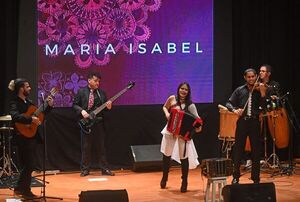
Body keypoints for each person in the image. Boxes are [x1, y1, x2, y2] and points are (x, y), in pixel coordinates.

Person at [8, 78, 53, 198]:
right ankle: (22, 189)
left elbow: (40, 114)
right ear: (21, 89)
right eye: (27, 86)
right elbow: (15, 116)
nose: (30, 88)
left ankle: (22, 189)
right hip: (22, 137)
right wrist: (30, 119)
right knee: (29, 164)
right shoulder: (14, 102)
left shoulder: (29, 102)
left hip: (31, 136)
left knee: (29, 165)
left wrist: (48, 106)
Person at [160, 82, 202, 193]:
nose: (183, 91)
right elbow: (164, 107)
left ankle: (184, 182)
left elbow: (198, 121)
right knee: (166, 154)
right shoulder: (172, 99)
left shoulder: (191, 105)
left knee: (184, 157)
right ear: (178, 89)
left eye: (186, 90)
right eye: (182, 88)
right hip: (170, 131)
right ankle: (164, 177)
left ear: (188, 92)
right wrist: (167, 114)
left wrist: (197, 128)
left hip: (182, 134)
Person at [226, 68, 266, 184]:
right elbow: (228, 103)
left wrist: (263, 94)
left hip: (254, 123)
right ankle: (236, 177)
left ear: (256, 76)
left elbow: (263, 108)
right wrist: (234, 110)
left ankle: (256, 178)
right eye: (249, 77)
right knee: (238, 150)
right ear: (245, 78)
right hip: (242, 122)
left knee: (256, 151)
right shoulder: (239, 90)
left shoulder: (260, 90)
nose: (251, 79)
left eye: (253, 76)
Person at [73, 72, 114, 177]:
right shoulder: (81, 92)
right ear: (89, 80)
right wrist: (82, 111)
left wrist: (108, 107)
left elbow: (105, 110)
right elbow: (75, 105)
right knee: (86, 147)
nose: (97, 83)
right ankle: (85, 170)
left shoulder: (102, 93)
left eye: (99, 81)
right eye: (95, 81)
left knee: (101, 147)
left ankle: (105, 169)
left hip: (98, 123)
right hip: (86, 124)